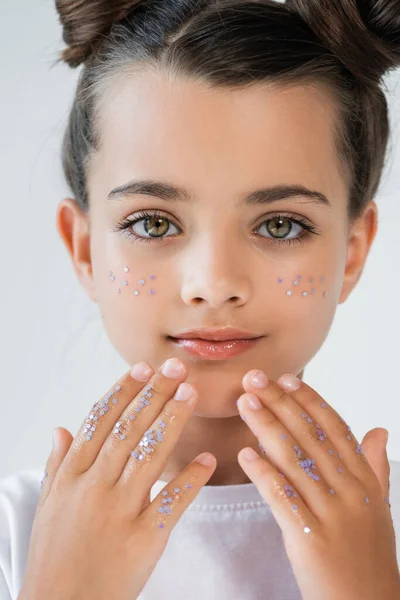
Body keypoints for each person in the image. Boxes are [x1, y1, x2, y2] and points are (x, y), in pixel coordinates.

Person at [1, 0, 400, 598]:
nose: (213, 283)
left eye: (281, 225)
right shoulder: (17, 533)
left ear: (352, 251)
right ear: (84, 249)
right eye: (155, 224)